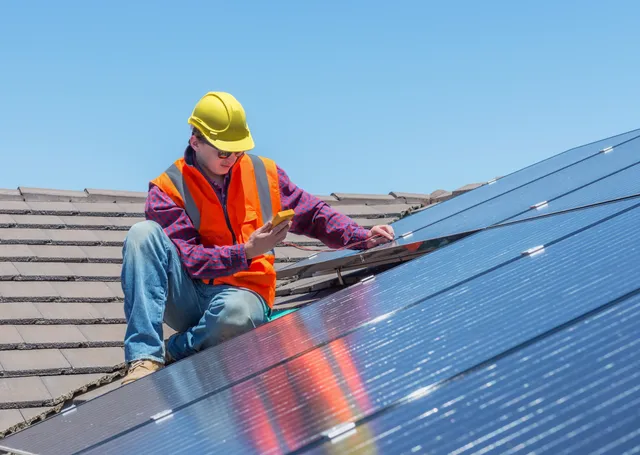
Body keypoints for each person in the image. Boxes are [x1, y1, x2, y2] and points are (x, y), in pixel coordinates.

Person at [121, 91, 395, 385]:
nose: (232, 159)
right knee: (142, 234)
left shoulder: (263, 174)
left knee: (237, 316)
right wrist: (247, 251)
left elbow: (313, 214)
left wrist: (361, 236)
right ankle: (144, 357)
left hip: (243, 298)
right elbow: (191, 260)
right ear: (195, 142)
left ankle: (176, 348)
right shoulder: (168, 189)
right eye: (223, 152)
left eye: (237, 151)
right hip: (188, 295)